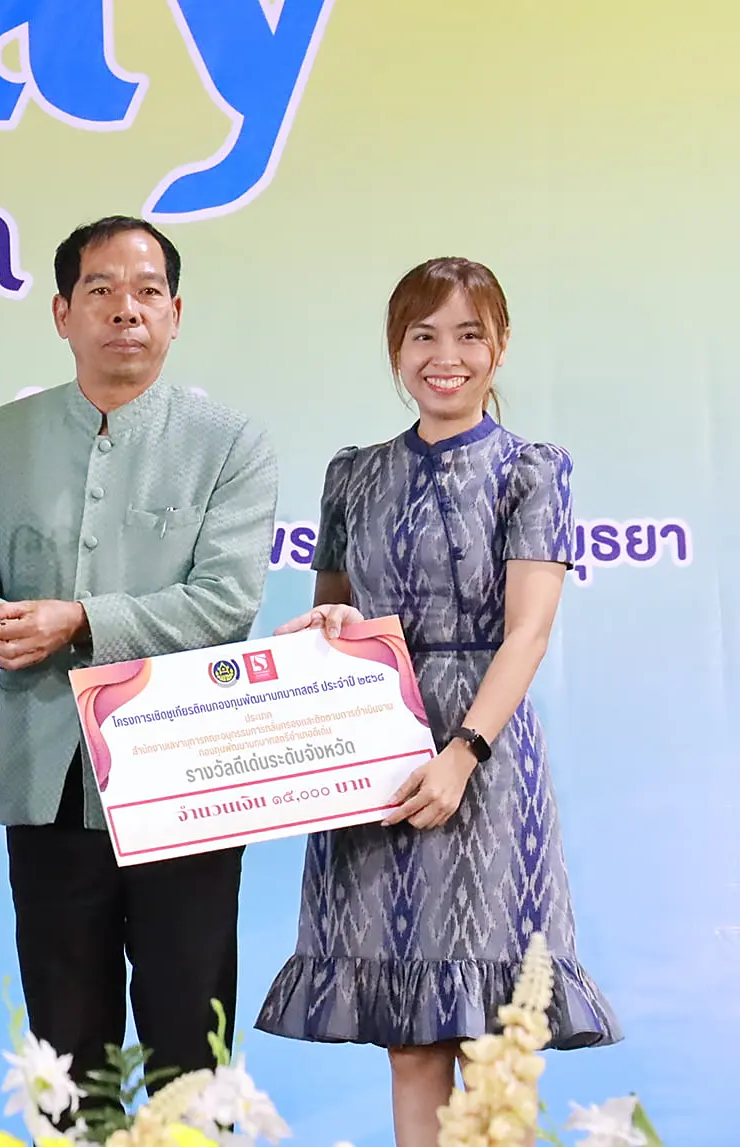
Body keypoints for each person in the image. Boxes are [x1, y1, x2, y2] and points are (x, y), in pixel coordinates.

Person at [255, 257, 619, 1147]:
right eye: (424, 335)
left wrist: (462, 752)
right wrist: (330, 623)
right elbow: (332, 613)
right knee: (410, 1039)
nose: (445, 356)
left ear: (500, 347)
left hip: (484, 759)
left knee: (495, 1033)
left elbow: (527, 632)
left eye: (468, 335)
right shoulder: (353, 474)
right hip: (374, 750)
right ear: (396, 348)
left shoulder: (532, 469)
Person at [0, 216, 279, 1090]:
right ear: (63, 313)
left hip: (188, 778)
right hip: (48, 779)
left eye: (146, 292)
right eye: (100, 290)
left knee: (189, 1045)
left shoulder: (230, 443)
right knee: (66, 1054)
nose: (124, 309)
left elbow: (225, 604)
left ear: (175, 313)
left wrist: (77, 620)